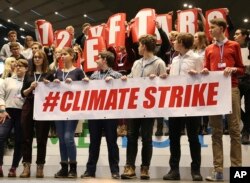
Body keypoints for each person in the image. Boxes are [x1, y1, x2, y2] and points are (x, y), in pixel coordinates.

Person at [202, 18, 244, 182]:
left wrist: (233, 69)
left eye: (212, 28)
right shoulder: (208, 48)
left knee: (234, 130)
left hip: (231, 88)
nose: (210, 31)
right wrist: (205, 70)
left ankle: (238, 171)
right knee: (216, 131)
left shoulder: (234, 45)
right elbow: (207, 67)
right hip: (215, 92)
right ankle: (218, 170)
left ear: (221, 28)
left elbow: (241, 69)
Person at [120, 34, 166, 180]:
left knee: (146, 137)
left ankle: (145, 167)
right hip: (135, 105)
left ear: (144, 46)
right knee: (131, 135)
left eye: (139, 45)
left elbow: (165, 85)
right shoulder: (136, 63)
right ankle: (129, 166)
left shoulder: (159, 63)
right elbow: (133, 81)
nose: (138, 48)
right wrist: (126, 79)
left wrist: (158, 80)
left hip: (149, 107)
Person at [162, 33, 203, 181]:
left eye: (176, 41)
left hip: (191, 104)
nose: (173, 43)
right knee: (174, 138)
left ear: (182, 43)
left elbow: (204, 79)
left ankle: (196, 171)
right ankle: (174, 170)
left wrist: (198, 75)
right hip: (175, 105)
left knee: (193, 137)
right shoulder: (175, 59)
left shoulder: (196, 58)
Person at [81, 51, 121, 179]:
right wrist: (86, 83)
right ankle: (90, 170)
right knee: (94, 143)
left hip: (110, 114)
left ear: (105, 60)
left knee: (112, 142)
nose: (96, 60)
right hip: (95, 114)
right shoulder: (93, 76)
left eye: (98, 58)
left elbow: (124, 90)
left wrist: (116, 81)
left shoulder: (117, 75)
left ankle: (115, 171)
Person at [20, 50, 53, 178]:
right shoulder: (28, 74)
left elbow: (55, 91)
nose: (37, 59)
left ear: (44, 59)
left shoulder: (49, 74)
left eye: (39, 57)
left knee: (42, 138)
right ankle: (26, 166)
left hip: (43, 108)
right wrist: (30, 87)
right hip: (29, 106)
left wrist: (49, 85)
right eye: (35, 57)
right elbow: (23, 93)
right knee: (26, 137)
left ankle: (40, 166)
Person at [53, 47, 85, 178]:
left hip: (73, 109)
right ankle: (64, 168)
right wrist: (53, 83)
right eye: (61, 55)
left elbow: (86, 86)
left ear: (72, 56)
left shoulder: (78, 71)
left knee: (68, 138)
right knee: (61, 139)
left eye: (65, 54)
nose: (62, 56)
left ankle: (73, 168)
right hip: (59, 109)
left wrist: (80, 82)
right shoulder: (58, 71)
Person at [0, 59, 28, 177]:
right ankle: (0, 166)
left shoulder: (29, 82)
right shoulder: (6, 80)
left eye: (21, 66)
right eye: (16, 65)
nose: (18, 68)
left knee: (19, 141)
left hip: (22, 113)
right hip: (8, 112)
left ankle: (13, 167)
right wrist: (2, 110)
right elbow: (0, 95)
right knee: (1, 136)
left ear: (26, 68)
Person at [234, 28, 250, 144]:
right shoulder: (232, 46)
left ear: (244, 36)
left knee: (249, 107)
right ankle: (247, 124)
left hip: (249, 79)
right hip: (236, 79)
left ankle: (246, 132)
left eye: (238, 34)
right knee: (233, 105)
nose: (235, 36)